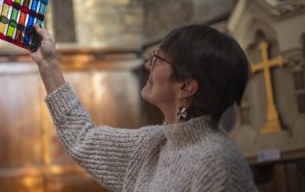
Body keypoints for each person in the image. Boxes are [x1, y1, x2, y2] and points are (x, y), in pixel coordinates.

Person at [30, 23, 258, 192]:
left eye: (159, 60)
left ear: (187, 86)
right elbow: (84, 139)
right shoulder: (154, 143)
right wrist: (48, 64)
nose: (149, 65)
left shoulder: (219, 164)